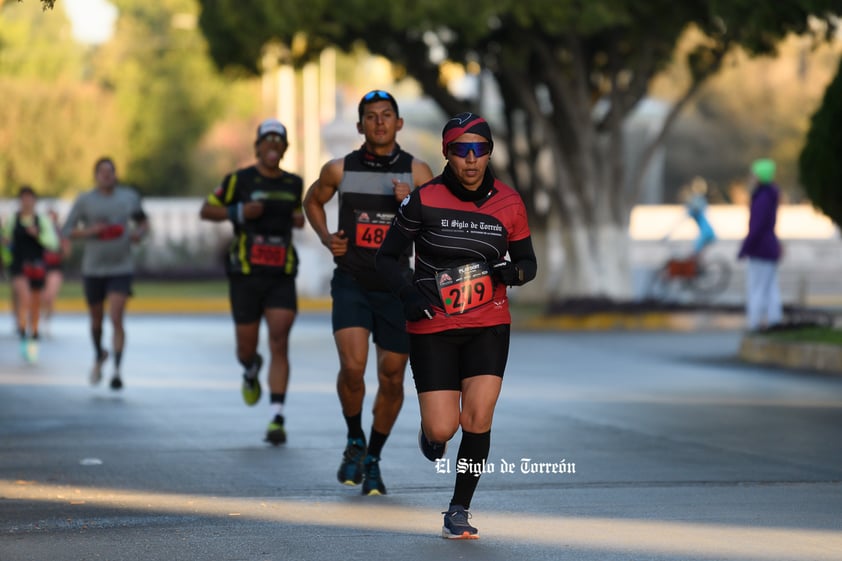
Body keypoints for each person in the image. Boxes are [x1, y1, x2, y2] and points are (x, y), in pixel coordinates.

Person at [376, 112, 537, 539]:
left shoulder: (509, 202)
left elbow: (528, 264)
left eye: (478, 150)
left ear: (489, 153)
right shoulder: (423, 200)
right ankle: (431, 433)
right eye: (460, 151)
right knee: (443, 428)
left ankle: (458, 509)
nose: (470, 159)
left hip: (489, 322)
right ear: (446, 153)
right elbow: (386, 258)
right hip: (434, 324)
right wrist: (409, 296)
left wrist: (509, 274)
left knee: (478, 417)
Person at [303, 90, 433, 495]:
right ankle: (354, 439)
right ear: (360, 126)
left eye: (387, 115)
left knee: (392, 378)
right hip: (352, 281)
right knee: (354, 367)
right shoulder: (339, 169)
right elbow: (312, 201)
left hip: (397, 288)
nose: (379, 123)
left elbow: (437, 227)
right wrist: (327, 239)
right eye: (371, 117)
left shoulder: (419, 172)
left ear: (399, 123)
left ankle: (373, 456)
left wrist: (412, 202)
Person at [200, 118, 304, 445]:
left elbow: (299, 216)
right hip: (245, 274)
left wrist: (298, 218)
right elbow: (207, 209)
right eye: (267, 139)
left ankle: (277, 417)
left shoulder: (293, 183)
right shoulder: (239, 180)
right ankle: (250, 368)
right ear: (257, 146)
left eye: (279, 140)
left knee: (279, 339)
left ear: (285, 148)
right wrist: (241, 212)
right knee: (247, 347)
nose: (273, 145)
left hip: (281, 274)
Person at [61, 157, 149, 390]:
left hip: (121, 267)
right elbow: (67, 230)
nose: (106, 176)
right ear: (95, 176)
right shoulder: (85, 201)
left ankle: (118, 371)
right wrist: (91, 231)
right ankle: (99, 353)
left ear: (115, 174)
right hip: (93, 269)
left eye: (110, 172)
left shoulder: (128, 197)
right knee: (96, 319)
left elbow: (143, 222)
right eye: (102, 172)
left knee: (117, 316)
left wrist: (139, 233)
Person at [1, 186, 60, 363]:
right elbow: (5, 241)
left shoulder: (41, 220)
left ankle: (33, 336)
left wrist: (39, 235)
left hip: (36, 264)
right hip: (19, 265)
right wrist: (7, 257)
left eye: (30, 198)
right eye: (23, 198)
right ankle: (22, 330)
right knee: (25, 299)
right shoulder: (13, 219)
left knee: (35, 303)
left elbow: (53, 243)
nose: (27, 202)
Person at [738, 158, 783, 331]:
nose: (751, 177)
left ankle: (754, 322)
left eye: (754, 174)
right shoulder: (770, 195)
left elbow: (756, 227)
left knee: (756, 287)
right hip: (769, 247)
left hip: (760, 249)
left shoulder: (762, 197)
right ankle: (774, 319)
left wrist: (745, 248)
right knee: (770, 286)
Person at [40, 207, 65, 336]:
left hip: (55, 267)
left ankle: (47, 323)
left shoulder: (60, 233)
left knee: (51, 297)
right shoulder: (40, 231)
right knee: (42, 296)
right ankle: (38, 320)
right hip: (41, 266)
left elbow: (66, 251)